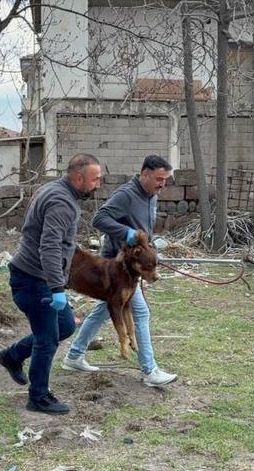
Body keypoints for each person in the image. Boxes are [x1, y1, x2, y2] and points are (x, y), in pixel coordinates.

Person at [0, 153, 103, 415]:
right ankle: (38, 396)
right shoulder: (61, 202)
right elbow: (49, 246)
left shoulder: (56, 189)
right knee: (47, 340)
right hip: (34, 280)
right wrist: (56, 288)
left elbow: (55, 240)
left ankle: (12, 356)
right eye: (95, 179)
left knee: (65, 326)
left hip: (36, 276)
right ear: (78, 178)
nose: (98, 184)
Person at [61, 155, 178, 387]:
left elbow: (144, 230)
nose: (162, 184)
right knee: (141, 313)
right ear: (144, 174)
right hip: (116, 264)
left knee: (104, 310)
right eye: (158, 179)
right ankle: (149, 370)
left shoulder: (151, 196)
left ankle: (74, 356)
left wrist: (150, 252)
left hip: (134, 265)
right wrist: (126, 234)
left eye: (165, 179)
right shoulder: (126, 195)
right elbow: (99, 218)